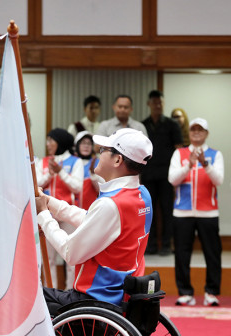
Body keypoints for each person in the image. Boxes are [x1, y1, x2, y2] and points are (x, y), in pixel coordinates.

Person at [35, 128, 153, 316]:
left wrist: (43, 215)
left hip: (94, 298)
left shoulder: (110, 204)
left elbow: (69, 252)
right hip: (120, 293)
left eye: (103, 150)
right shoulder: (142, 194)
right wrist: (50, 204)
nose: (97, 152)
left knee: (29, 296)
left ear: (117, 160)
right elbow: (93, 220)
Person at [168, 118, 224, 307]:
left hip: (208, 213)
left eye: (201, 130)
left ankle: (211, 292)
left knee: (212, 253)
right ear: (189, 133)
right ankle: (185, 293)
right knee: (182, 254)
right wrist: (188, 165)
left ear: (206, 133)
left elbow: (219, 180)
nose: (197, 132)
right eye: (193, 129)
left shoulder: (215, 155)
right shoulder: (180, 153)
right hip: (182, 213)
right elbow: (172, 179)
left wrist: (205, 164)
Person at [36, 128, 83, 290]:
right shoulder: (42, 161)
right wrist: (50, 174)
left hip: (68, 214)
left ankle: (71, 294)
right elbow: (37, 186)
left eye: (51, 140)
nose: (48, 144)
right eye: (47, 140)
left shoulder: (75, 161)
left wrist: (60, 172)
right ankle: (52, 293)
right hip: (47, 214)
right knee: (48, 259)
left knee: (71, 258)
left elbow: (77, 187)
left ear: (60, 141)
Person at [141, 90, 183, 256]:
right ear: (149, 104)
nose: (157, 105)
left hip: (167, 174)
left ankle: (166, 244)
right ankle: (150, 245)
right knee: (148, 210)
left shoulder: (172, 124)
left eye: (160, 103)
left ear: (163, 104)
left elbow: (179, 149)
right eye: (154, 103)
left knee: (167, 210)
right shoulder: (143, 125)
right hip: (148, 174)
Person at [73, 131, 102, 209]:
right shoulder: (71, 162)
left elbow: (102, 189)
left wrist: (93, 175)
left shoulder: (98, 162)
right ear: (77, 145)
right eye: (83, 143)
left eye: (89, 143)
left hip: (91, 209)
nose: (86, 146)